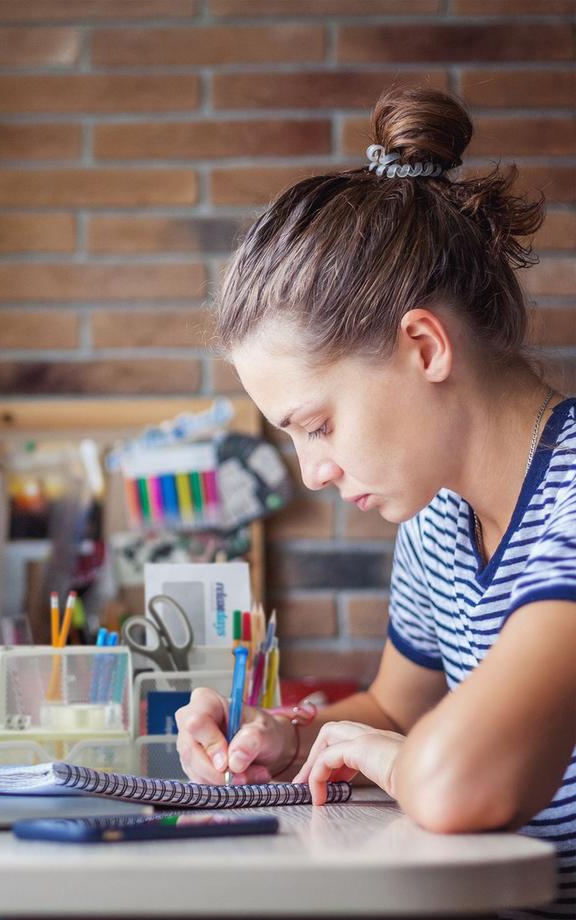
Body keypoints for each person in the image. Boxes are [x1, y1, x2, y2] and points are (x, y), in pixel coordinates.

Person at [175, 88, 575, 920]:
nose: (312, 471)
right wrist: (287, 734)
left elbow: (457, 781)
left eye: (316, 425)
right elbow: (399, 709)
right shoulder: (437, 520)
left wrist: (372, 749)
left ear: (424, 347)